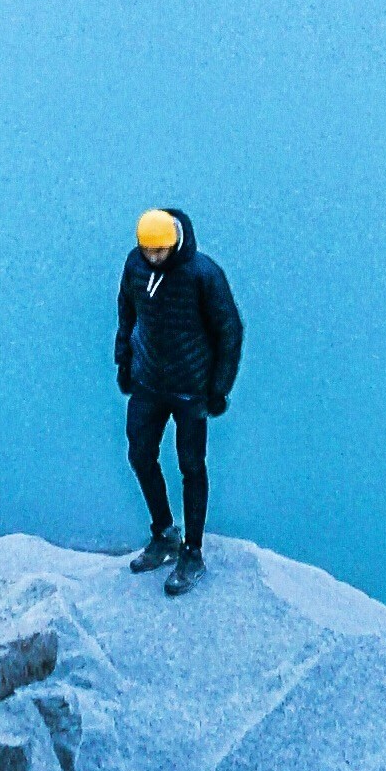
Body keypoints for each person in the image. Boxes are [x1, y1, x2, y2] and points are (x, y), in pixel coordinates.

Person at [115, 203, 241, 595]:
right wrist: (124, 362)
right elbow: (127, 315)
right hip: (148, 382)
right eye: (147, 251)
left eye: (160, 252)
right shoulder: (136, 266)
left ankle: (193, 552)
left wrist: (218, 389)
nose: (153, 259)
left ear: (174, 243)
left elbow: (230, 331)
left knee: (191, 466)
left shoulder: (204, 274)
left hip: (190, 389)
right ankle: (164, 532)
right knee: (139, 455)